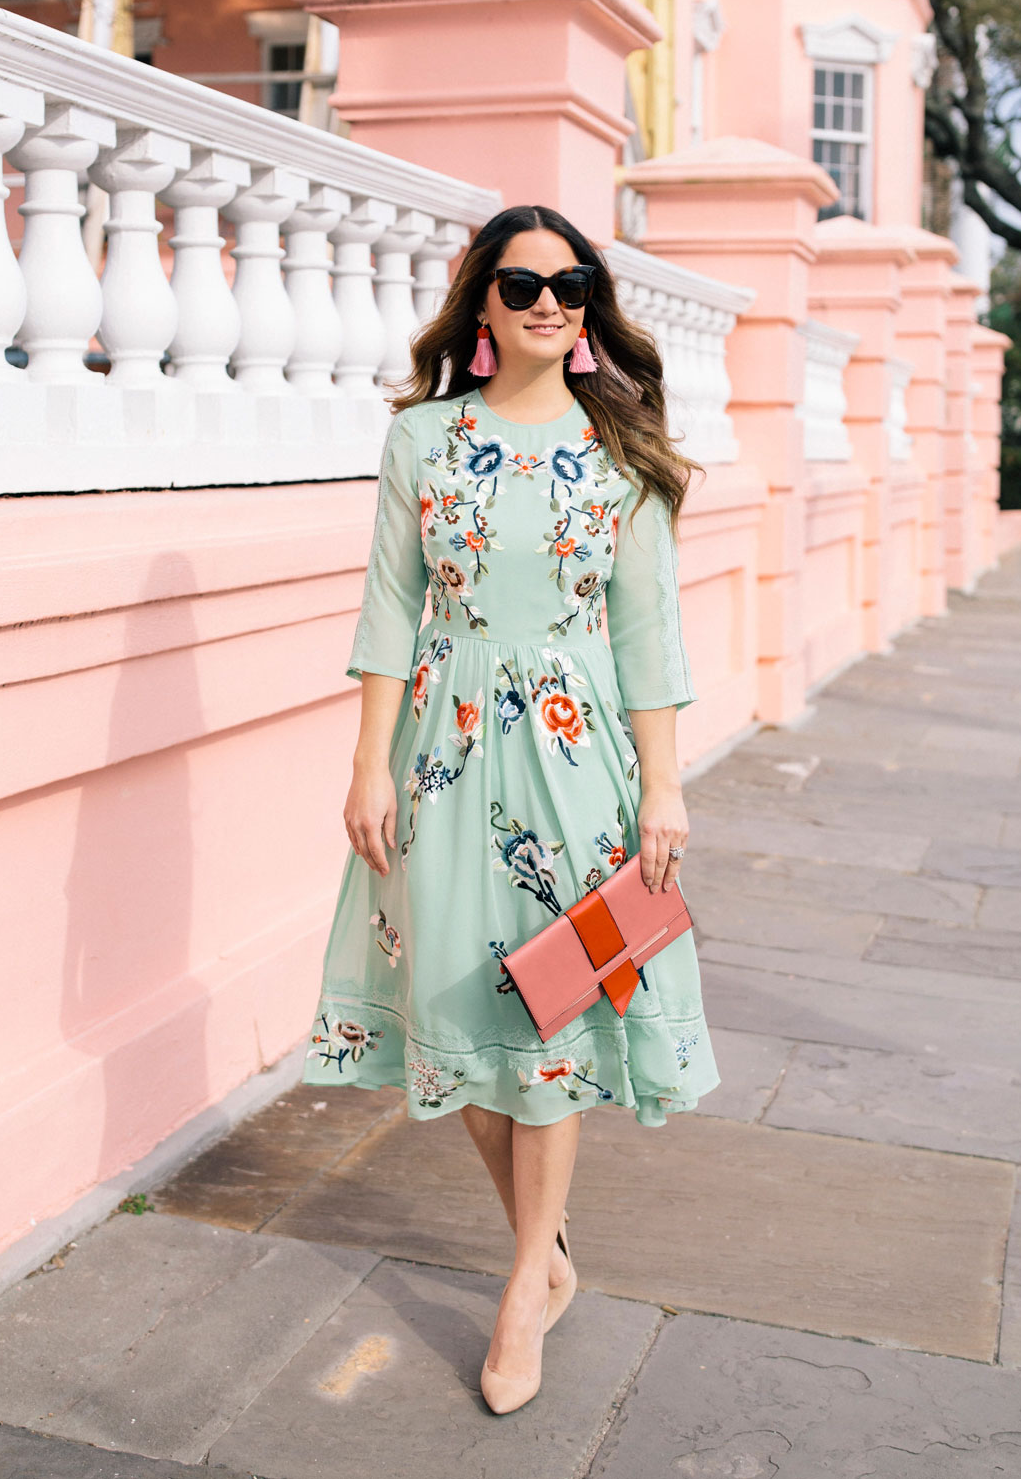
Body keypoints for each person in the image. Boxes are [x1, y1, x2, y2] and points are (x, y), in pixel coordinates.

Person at [303, 203, 719, 1413]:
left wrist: (665, 788)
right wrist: (367, 762)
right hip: (440, 752)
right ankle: (549, 1251)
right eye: (525, 284)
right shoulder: (422, 443)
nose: (550, 303)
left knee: (552, 1017)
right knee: (453, 1014)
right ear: (480, 302)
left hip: (582, 764)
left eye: (572, 284)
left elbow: (649, 640)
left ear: (591, 306)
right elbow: (388, 611)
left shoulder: (625, 456)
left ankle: (524, 1280)